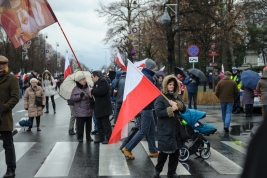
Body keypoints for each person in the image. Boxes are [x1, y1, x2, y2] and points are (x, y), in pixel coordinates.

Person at [121, 59, 158, 159]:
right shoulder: (148, 77)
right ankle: (128, 148)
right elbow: (148, 93)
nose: (156, 69)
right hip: (147, 107)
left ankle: (153, 150)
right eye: (155, 67)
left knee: (151, 129)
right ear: (152, 67)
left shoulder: (144, 75)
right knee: (144, 130)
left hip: (145, 106)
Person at [153, 75, 186, 178]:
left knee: (175, 152)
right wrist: (171, 109)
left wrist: (177, 104)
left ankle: (171, 172)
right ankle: (157, 171)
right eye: (169, 84)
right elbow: (158, 112)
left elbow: (184, 108)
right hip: (165, 129)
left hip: (176, 128)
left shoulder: (177, 97)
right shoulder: (161, 97)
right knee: (164, 152)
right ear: (166, 85)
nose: (171, 86)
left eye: (173, 84)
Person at [0, 56, 19, 178]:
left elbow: (15, 97)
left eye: (3, 64)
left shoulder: (11, 79)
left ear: (6, 65)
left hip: (4, 117)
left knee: (8, 145)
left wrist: (4, 107)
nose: (1, 66)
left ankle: (10, 169)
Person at [89, 71, 112, 144]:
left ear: (96, 76)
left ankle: (108, 138)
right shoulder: (96, 83)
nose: (91, 79)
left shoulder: (103, 81)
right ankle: (101, 138)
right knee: (99, 124)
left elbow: (101, 91)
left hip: (104, 107)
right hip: (98, 107)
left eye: (92, 77)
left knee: (106, 124)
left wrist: (92, 90)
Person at [71, 74, 94, 142]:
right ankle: (80, 137)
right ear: (79, 81)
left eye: (84, 79)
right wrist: (80, 96)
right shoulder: (76, 89)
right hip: (80, 110)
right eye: (82, 80)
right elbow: (72, 98)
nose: (84, 81)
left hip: (88, 109)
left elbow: (91, 97)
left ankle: (88, 136)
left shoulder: (88, 87)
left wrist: (91, 96)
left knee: (89, 125)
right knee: (80, 126)